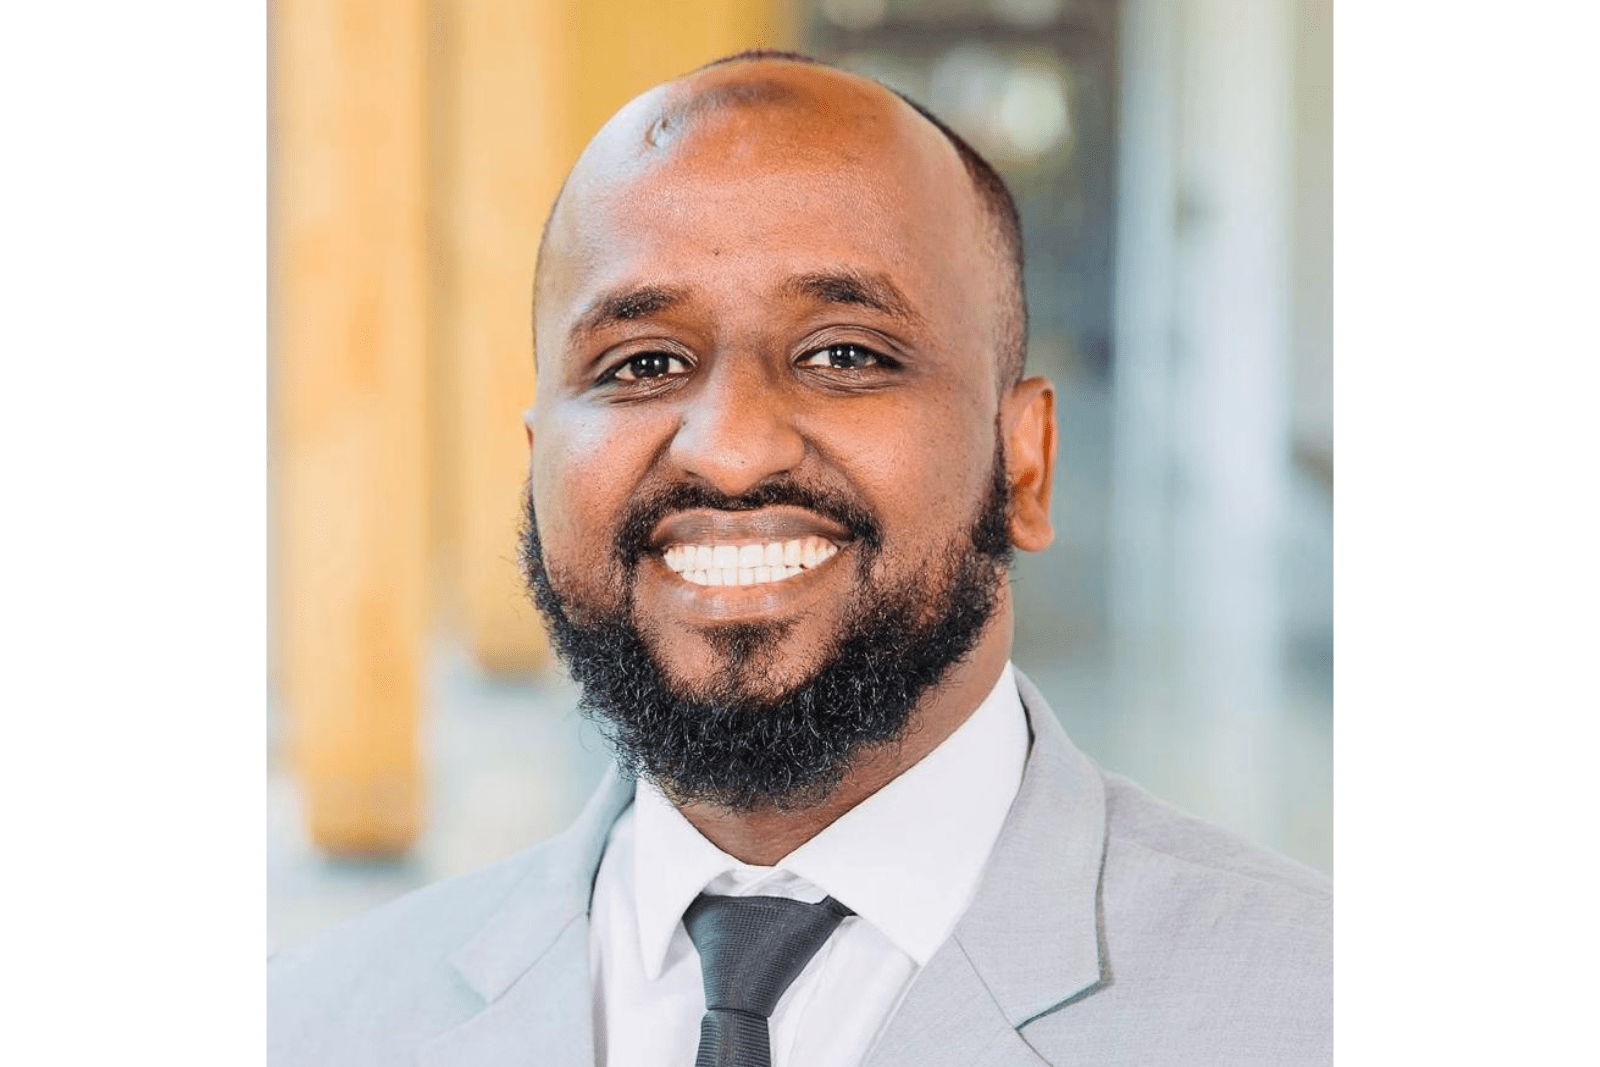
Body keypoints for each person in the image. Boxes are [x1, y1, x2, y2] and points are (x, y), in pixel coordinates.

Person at [269, 51, 1330, 1067]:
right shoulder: (304, 1024)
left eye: (844, 353)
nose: (731, 450)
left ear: (1026, 462)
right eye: (643, 363)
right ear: (540, 464)